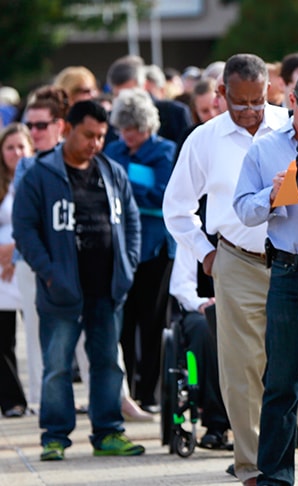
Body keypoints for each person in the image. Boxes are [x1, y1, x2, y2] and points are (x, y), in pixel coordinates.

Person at [163, 53, 288, 485]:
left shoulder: (291, 128)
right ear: (221, 94)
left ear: (270, 90)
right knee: (242, 369)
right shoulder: (204, 139)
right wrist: (206, 254)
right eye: (240, 103)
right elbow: (176, 209)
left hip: (292, 260)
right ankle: (252, 465)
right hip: (235, 260)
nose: (251, 112)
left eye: (258, 101)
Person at [12, 100, 144, 461]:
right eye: (89, 135)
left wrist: (128, 266)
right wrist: (51, 274)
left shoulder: (112, 171)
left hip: (107, 288)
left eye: (101, 136)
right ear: (67, 129)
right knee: (57, 365)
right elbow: (25, 230)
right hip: (61, 290)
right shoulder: (39, 174)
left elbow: (131, 223)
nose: (96, 144)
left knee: (107, 362)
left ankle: (108, 432)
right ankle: (54, 436)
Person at [232, 67, 298, 485]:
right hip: (291, 268)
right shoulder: (265, 149)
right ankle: (275, 475)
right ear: (292, 102)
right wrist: (273, 195)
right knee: (281, 380)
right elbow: (242, 208)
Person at [103, 88, 176, 412]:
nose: (126, 135)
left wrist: (126, 189)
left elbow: (163, 194)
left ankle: (150, 393)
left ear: (146, 126)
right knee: (124, 321)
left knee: (152, 321)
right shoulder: (113, 149)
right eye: (122, 128)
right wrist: (135, 189)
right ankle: (126, 392)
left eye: (132, 129)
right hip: (120, 248)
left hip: (156, 249)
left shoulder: (165, 151)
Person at [168, 243, 231, 450]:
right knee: (205, 329)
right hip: (202, 309)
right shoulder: (193, 234)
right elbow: (181, 285)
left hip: (245, 305)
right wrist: (201, 303)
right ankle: (216, 423)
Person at [0, 123, 32, 418]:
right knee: (3, 338)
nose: (16, 153)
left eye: (21, 146)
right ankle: (12, 400)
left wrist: (13, 251)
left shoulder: (35, 177)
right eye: (10, 147)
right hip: (0, 272)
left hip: (26, 261)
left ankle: (39, 398)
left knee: (37, 334)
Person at [106, 55, 193, 144]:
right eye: (119, 95)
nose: (125, 100)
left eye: (129, 93)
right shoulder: (109, 121)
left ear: (144, 85)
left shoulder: (175, 113)